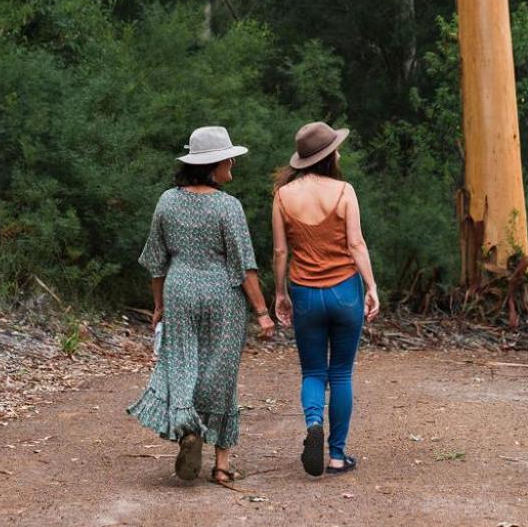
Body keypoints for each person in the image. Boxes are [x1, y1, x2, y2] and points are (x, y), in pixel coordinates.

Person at [128, 126, 275, 486]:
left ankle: (188, 430)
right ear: (214, 165)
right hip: (221, 295)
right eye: (229, 161)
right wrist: (262, 312)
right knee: (220, 374)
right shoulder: (228, 207)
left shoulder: (167, 201)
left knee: (181, 364)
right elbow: (243, 267)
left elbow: (156, 261)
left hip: (179, 289)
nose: (233, 167)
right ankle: (222, 466)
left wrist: (159, 305)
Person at [272, 121, 379, 478]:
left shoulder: (284, 196)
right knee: (342, 373)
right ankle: (336, 454)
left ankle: (314, 422)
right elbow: (356, 244)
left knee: (314, 371)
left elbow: (280, 251)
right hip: (345, 291)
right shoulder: (344, 190)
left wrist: (280, 292)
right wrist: (371, 287)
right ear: (330, 155)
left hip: (305, 292)